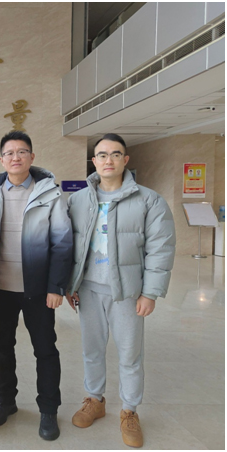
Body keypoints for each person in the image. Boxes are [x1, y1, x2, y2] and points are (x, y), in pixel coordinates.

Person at [66, 133, 176, 448]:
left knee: (130, 354)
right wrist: (69, 284)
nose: (109, 160)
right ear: (94, 161)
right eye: (102, 155)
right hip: (88, 290)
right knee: (91, 349)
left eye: (116, 154)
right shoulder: (78, 200)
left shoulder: (149, 200)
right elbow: (70, 246)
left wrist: (150, 293)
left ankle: (129, 410)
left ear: (125, 160)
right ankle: (94, 400)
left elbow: (161, 248)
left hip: (127, 292)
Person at [0, 130, 73, 441]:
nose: (15, 157)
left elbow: (62, 243)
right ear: (1, 159)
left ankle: (48, 410)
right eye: (9, 153)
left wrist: (56, 287)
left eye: (21, 151)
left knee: (45, 350)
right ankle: (6, 401)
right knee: (2, 349)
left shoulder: (50, 194)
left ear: (32, 157)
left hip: (38, 289)